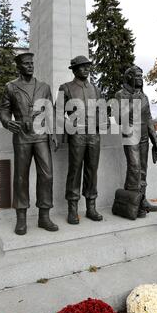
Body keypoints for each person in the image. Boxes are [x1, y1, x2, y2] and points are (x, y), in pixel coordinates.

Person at [0, 52, 58, 235]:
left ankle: (44, 216)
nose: (30, 66)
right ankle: (21, 218)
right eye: (26, 64)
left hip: (41, 135)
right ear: (19, 67)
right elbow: (3, 109)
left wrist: (53, 132)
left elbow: (51, 111)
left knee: (47, 175)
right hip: (22, 137)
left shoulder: (44, 87)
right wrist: (7, 122)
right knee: (21, 178)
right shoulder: (11, 87)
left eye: (32, 63)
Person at [56, 55, 105, 224]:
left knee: (92, 170)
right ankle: (72, 209)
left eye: (88, 66)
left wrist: (101, 121)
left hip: (94, 134)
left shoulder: (96, 89)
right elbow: (58, 113)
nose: (86, 69)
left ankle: (91, 207)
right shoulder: (66, 88)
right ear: (75, 69)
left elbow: (102, 110)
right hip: (76, 134)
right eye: (82, 66)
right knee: (75, 170)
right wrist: (64, 132)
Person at [115, 65, 157, 212]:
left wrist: (156, 142)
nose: (140, 79)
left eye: (141, 77)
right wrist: (134, 101)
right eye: (137, 76)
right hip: (130, 136)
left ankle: (141, 200)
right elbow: (119, 118)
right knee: (134, 168)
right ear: (129, 78)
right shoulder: (121, 95)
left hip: (144, 137)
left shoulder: (144, 97)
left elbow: (149, 120)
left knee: (143, 170)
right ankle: (131, 203)